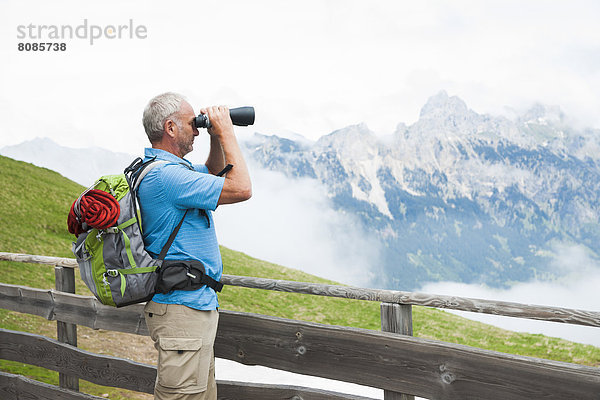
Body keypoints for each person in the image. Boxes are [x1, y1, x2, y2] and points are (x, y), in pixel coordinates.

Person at [138, 92, 251, 400]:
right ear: (170, 128)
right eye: (192, 124)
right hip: (182, 313)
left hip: (188, 312)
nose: (198, 130)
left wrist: (215, 137)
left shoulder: (172, 171)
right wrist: (226, 130)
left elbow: (215, 172)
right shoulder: (167, 177)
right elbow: (240, 188)